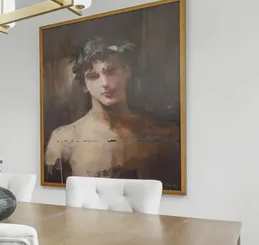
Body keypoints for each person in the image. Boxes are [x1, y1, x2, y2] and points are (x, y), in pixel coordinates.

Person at [44, 36, 180, 188]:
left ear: (127, 71)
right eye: (93, 76)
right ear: (84, 85)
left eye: (111, 71)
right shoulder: (63, 139)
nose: (105, 83)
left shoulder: (161, 135)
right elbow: (53, 194)